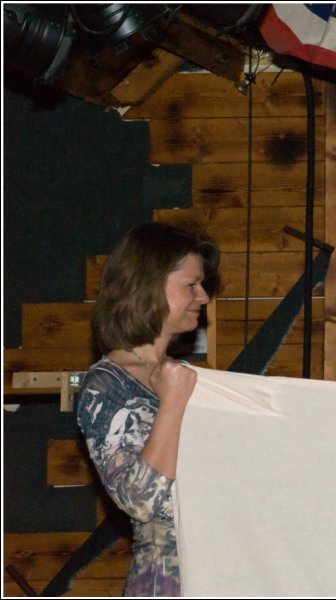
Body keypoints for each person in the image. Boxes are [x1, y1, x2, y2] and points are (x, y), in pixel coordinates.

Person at [76, 222, 220, 596]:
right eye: (191, 284)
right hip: (167, 584)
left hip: (222, 573)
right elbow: (140, 501)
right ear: (150, 285)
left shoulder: (184, 377)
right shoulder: (106, 384)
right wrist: (172, 403)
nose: (203, 296)